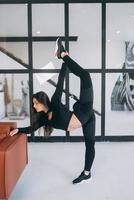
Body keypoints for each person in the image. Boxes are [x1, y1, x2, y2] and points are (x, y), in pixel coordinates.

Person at [10, 38, 96, 184]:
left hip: (84, 111)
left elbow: (61, 80)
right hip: (85, 117)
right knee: (89, 145)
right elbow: (31, 128)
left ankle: (63, 54)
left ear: (42, 101)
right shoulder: (44, 119)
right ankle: (87, 173)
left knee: (85, 76)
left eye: (35, 103)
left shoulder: (55, 102)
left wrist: (64, 63)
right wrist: (18, 130)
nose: (34, 106)